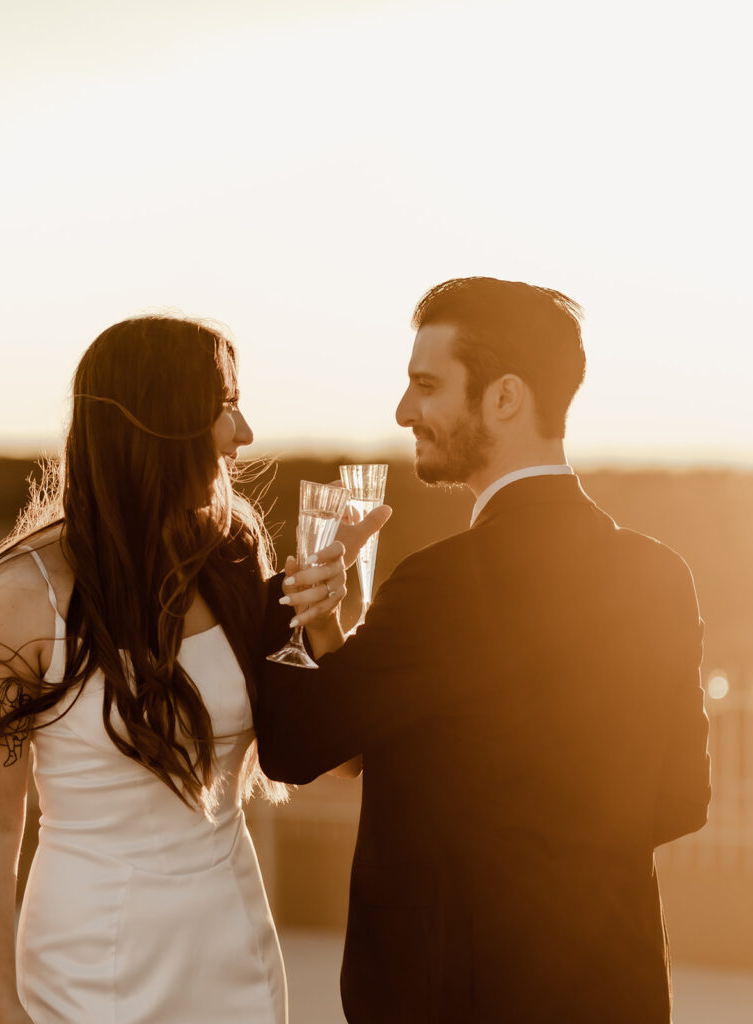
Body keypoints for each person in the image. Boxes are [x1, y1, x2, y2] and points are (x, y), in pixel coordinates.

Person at [255, 277, 712, 1023]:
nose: (405, 411)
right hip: (616, 992)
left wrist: (285, 605)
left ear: (505, 398)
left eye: (425, 385)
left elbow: (294, 743)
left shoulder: (441, 585)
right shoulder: (660, 574)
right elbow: (681, 800)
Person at [0, 314, 386, 1024]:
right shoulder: (22, 595)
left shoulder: (235, 554)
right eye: (225, 407)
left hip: (234, 956)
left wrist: (325, 619)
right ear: (158, 422)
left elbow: (342, 758)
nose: (244, 433)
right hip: (84, 968)